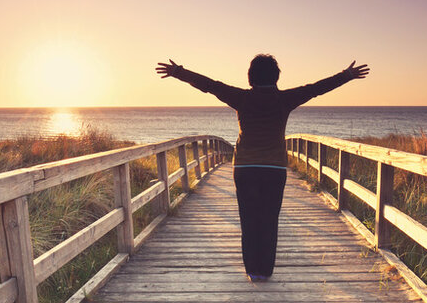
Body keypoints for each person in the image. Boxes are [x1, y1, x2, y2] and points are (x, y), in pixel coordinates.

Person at [155, 54, 369, 282]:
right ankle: (264, 270)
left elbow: (210, 85)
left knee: (249, 219)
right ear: (276, 77)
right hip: (274, 168)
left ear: (250, 77)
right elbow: (316, 88)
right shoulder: (284, 99)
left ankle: (252, 270)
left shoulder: (241, 98)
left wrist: (178, 72)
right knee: (269, 219)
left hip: (246, 167)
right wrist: (346, 76)